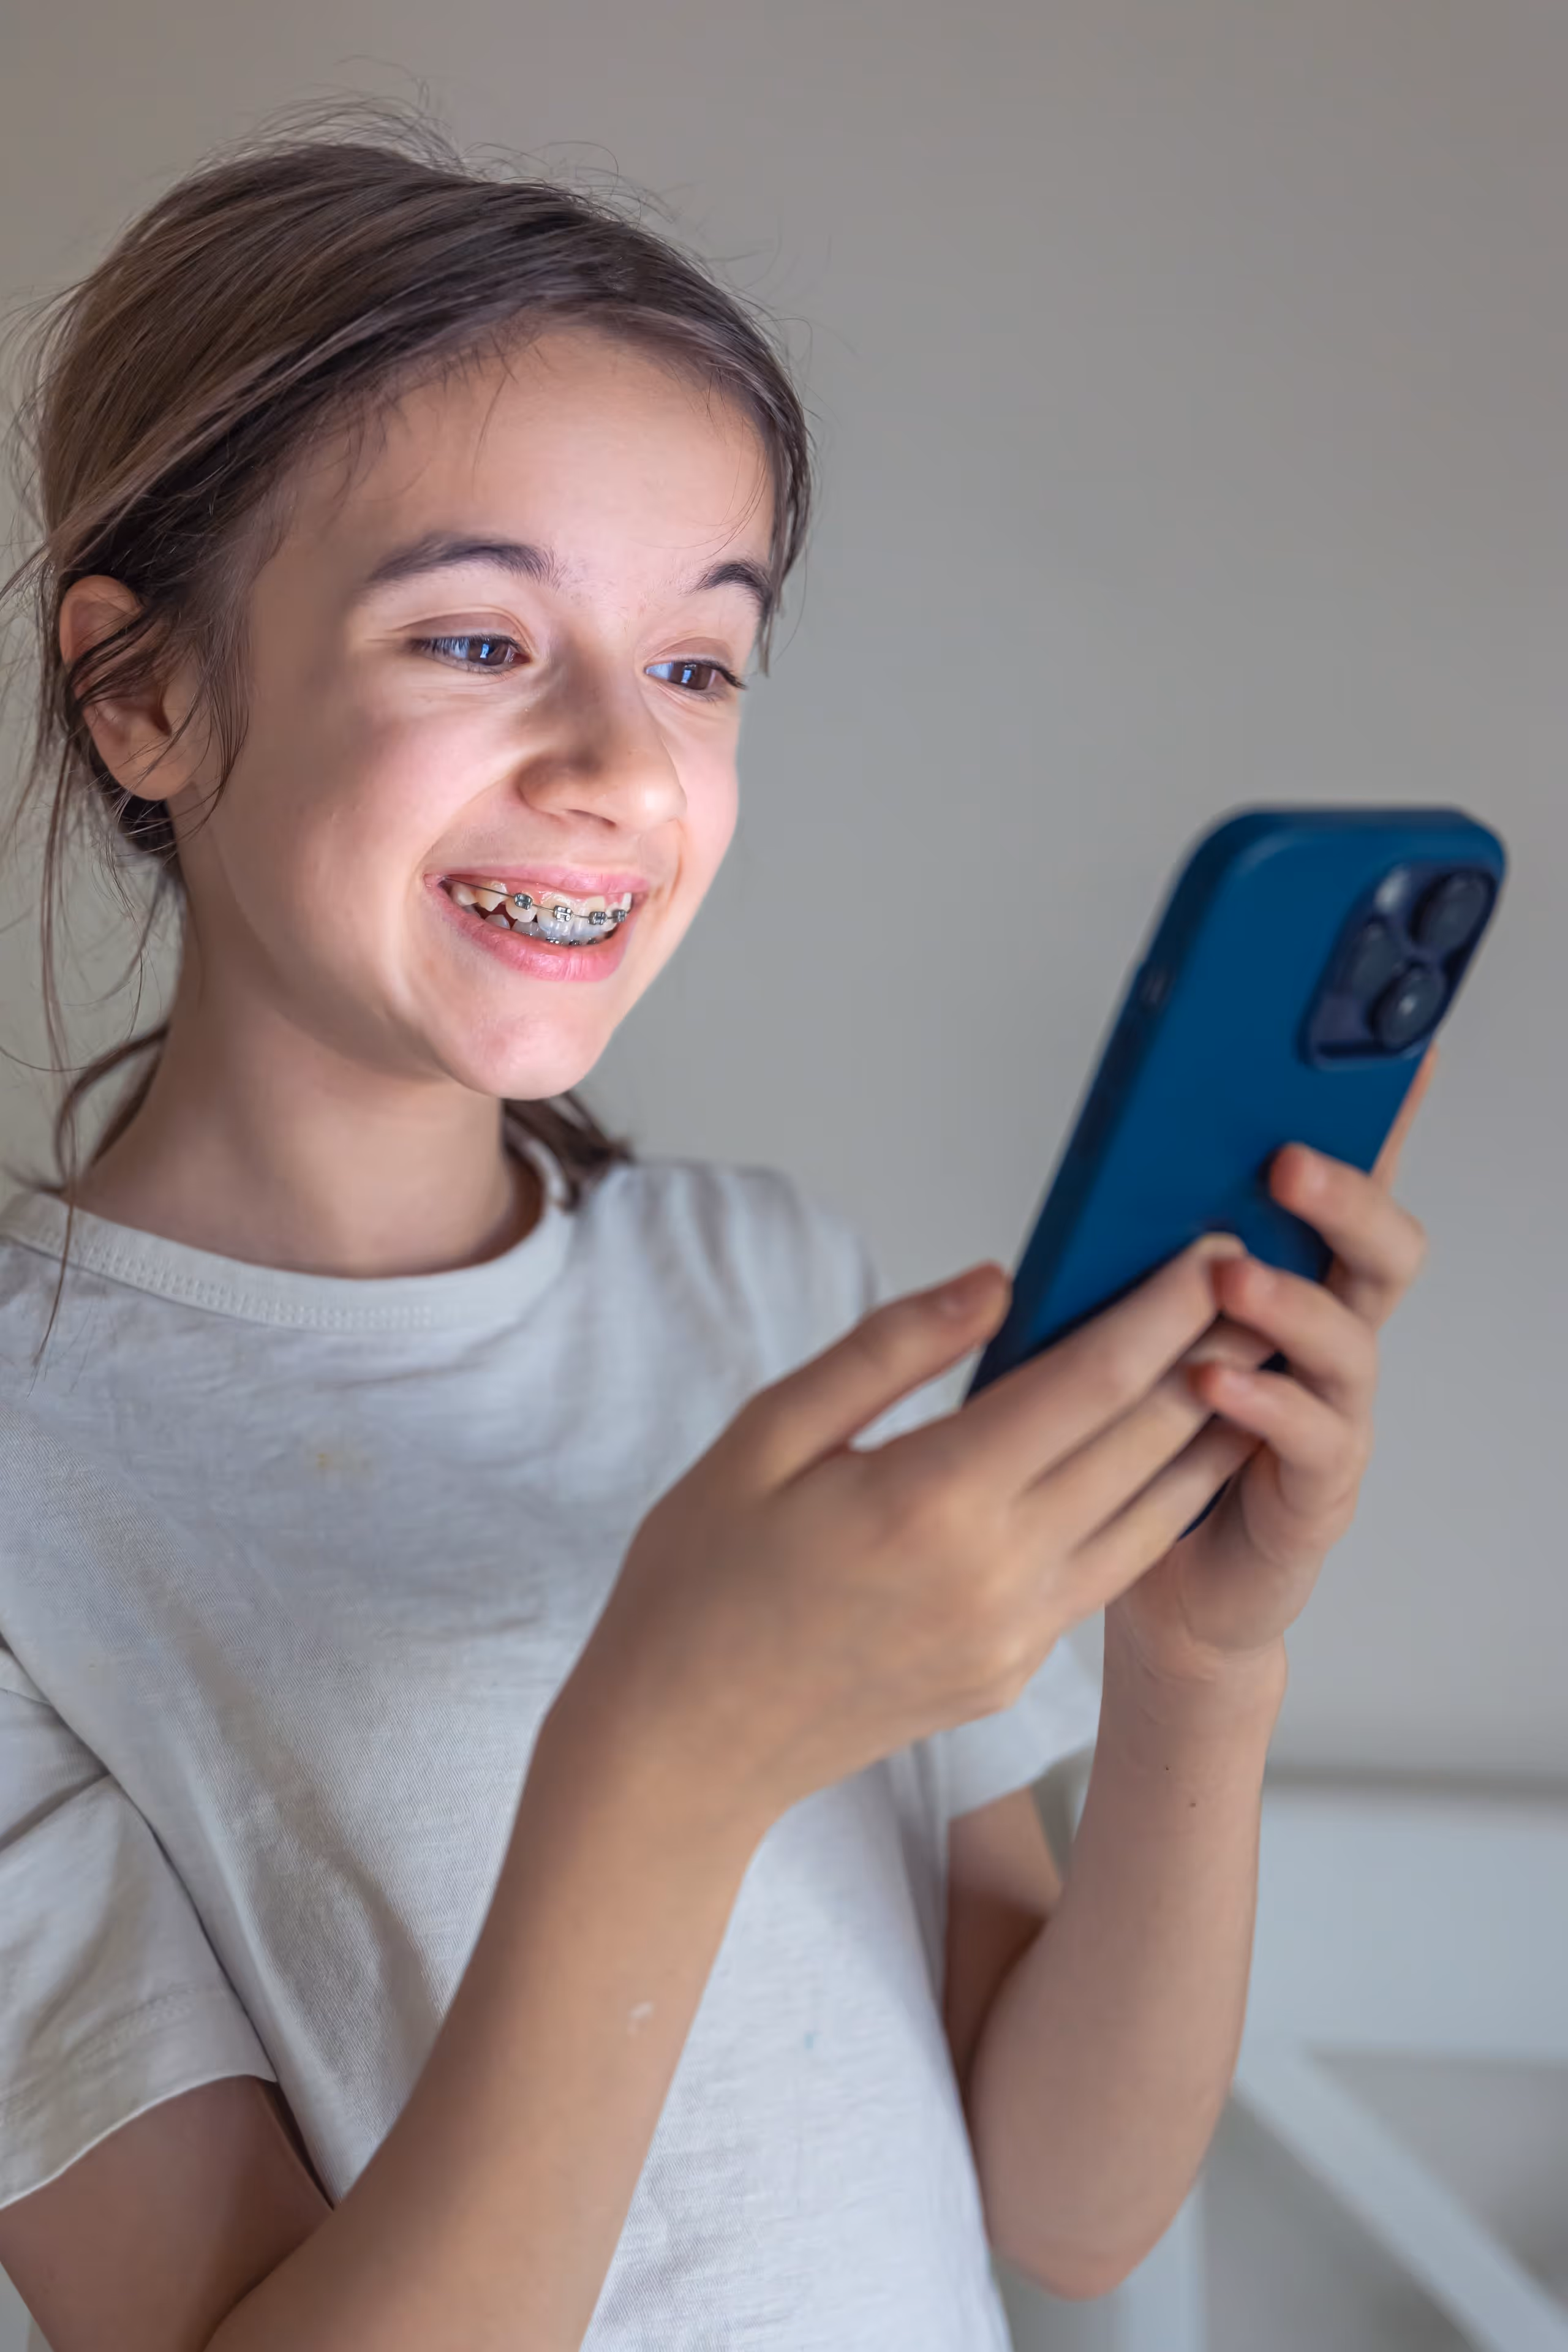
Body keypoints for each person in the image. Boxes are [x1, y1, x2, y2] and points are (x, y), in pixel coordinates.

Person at [0, 100, 1434, 2352]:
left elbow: (1066, 2205)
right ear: (147, 690)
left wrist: (1199, 1665)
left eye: (697, 661)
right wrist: (672, 1761)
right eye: (476, 641)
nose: (626, 769)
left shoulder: (767, 1291)